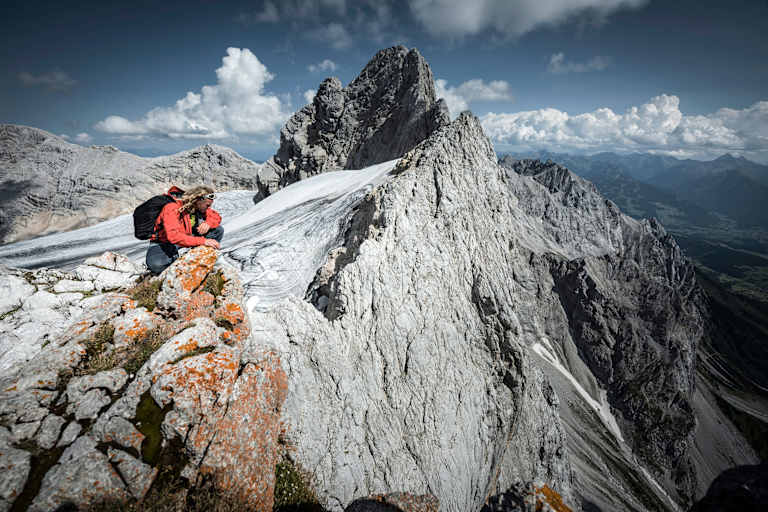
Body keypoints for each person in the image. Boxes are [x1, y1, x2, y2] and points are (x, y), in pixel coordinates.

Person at [145, 185, 224, 274]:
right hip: (163, 242)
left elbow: (216, 216)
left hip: (185, 238)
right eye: (207, 205)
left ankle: (199, 257)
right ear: (199, 200)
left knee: (217, 230)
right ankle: (176, 259)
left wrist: (208, 223)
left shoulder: (196, 206)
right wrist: (203, 241)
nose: (208, 208)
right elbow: (173, 236)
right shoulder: (171, 207)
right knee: (157, 264)